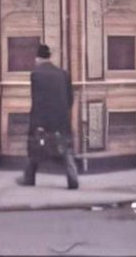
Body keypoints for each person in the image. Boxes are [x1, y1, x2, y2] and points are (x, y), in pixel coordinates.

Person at [17, 43, 79, 190]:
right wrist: (63, 113)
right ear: (50, 57)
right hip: (61, 119)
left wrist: (36, 122)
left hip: (42, 119)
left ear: (37, 58)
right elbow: (70, 98)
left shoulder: (36, 74)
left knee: (34, 149)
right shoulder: (64, 74)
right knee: (65, 151)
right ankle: (73, 179)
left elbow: (37, 99)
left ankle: (29, 179)